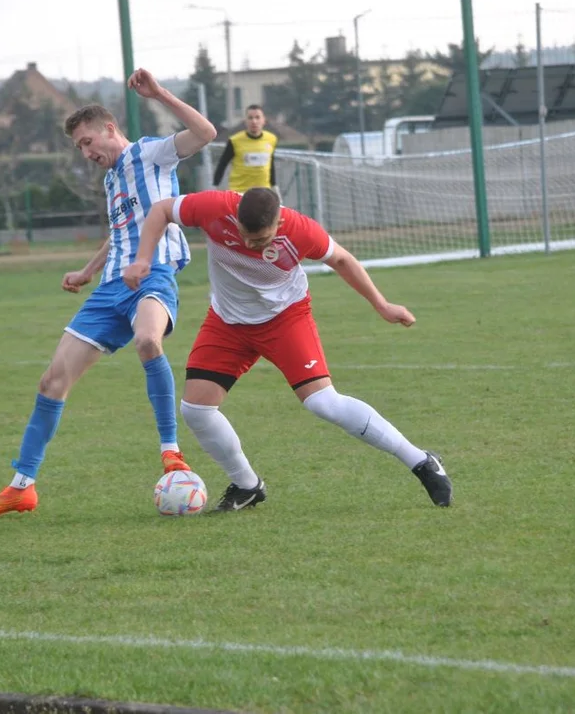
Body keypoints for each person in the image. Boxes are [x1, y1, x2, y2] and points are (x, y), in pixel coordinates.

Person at [0, 68, 217, 520]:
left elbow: (205, 132)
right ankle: (21, 486)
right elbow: (119, 232)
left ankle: (171, 452)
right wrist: (86, 270)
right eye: (79, 147)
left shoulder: (152, 155)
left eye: (87, 142)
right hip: (108, 290)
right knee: (52, 381)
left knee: (147, 340)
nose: (85, 153)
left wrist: (158, 93)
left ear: (109, 129)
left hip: (154, 275)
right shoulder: (110, 182)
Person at [122, 187, 453, 511]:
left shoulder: (301, 230)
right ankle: (247, 485)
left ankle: (421, 462)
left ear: (279, 224)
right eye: (245, 236)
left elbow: (341, 259)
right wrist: (142, 259)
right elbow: (162, 210)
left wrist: (381, 305)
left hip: (285, 319)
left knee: (323, 403)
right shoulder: (213, 207)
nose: (251, 245)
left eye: (260, 240)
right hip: (228, 323)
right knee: (196, 410)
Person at [212, 104, 278, 194]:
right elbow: (222, 164)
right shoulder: (235, 140)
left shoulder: (271, 139)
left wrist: (274, 187)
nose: (254, 121)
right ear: (245, 121)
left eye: (257, 117)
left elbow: (271, 165)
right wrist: (215, 186)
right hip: (240, 192)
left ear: (264, 120)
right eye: (250, 118)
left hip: (264, 192)